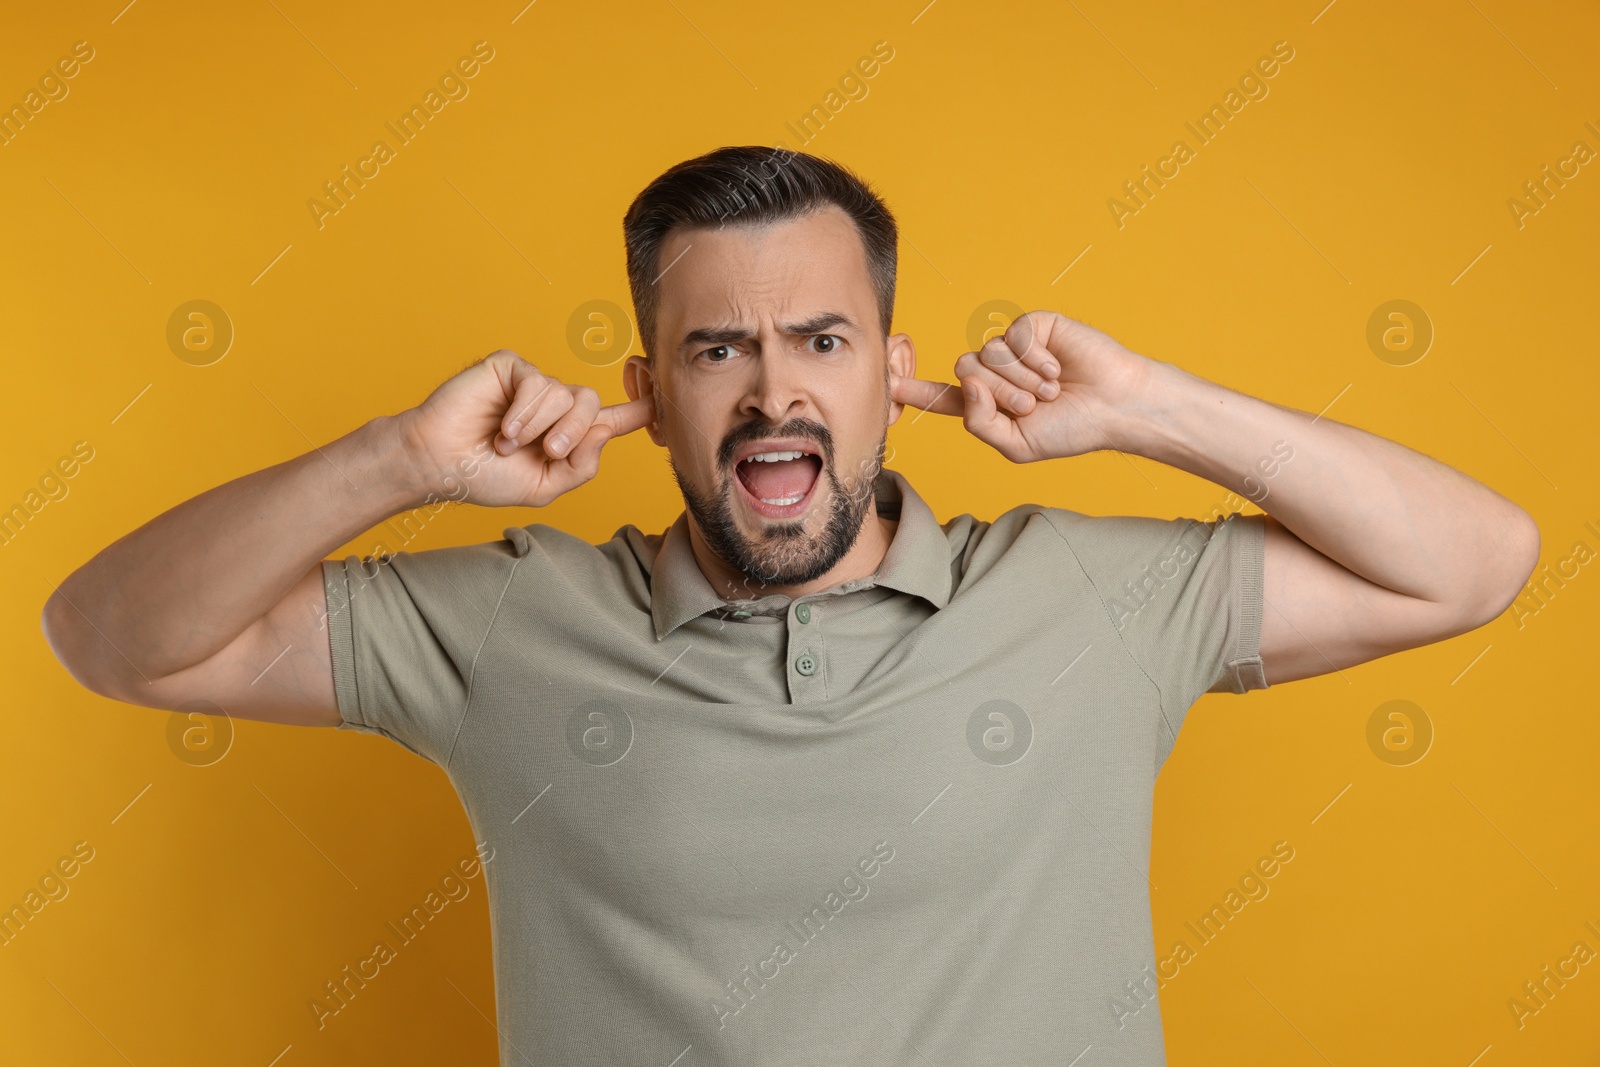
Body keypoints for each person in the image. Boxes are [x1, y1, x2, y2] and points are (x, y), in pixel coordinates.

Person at [41, 145, 1538, 1065]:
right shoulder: (511, 629)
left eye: (822, 339)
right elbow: (111, 638)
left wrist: (1152, 409)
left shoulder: (1086, 598)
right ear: (649, 392)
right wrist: (400, 460)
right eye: (717, 351)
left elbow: (1477, 559)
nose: (774, 392)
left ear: (892, 372)